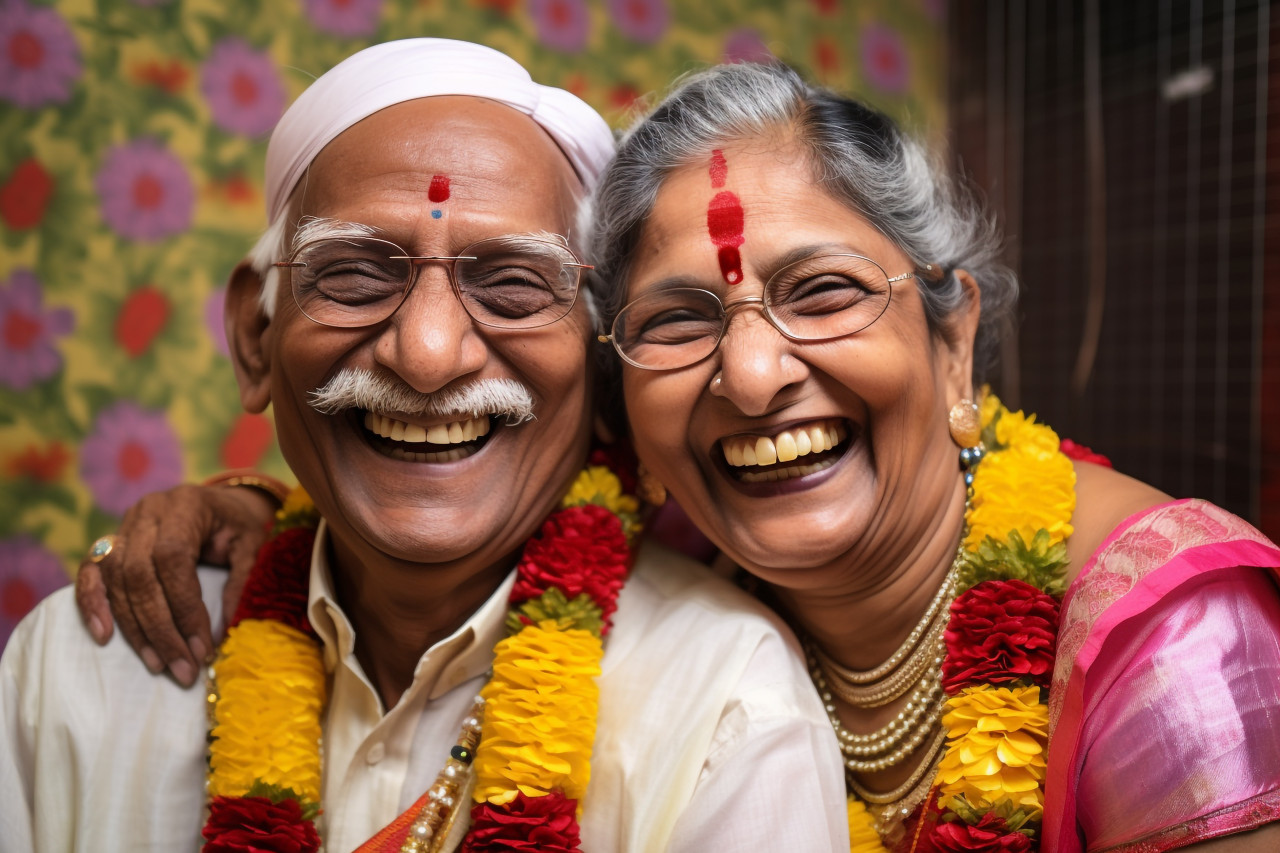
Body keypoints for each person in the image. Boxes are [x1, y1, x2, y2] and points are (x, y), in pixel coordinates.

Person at [73, 62, 1280, 852]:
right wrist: (244, 508)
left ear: (953, 337)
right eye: (678, 320)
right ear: (613, 393)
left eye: (820, 293)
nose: (750, 378)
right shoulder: (674, 538)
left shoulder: (1178, 654)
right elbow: (423, 474)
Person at [0, 42, 850, 853]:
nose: (429, 354)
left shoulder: (725, 706)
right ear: (255, 337)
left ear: (598, 364)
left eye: (513, 284)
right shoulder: (79, 673)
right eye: (356, 274)